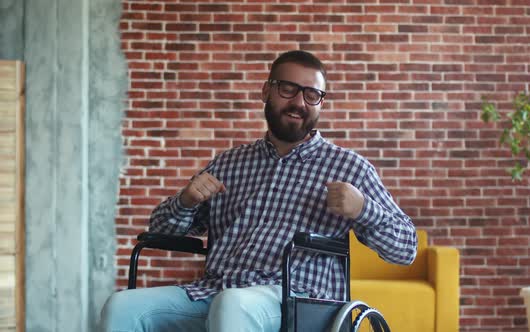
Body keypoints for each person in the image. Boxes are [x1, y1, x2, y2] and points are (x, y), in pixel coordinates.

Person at [100, 50, 417, 332]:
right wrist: (186, 200)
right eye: (288, 89)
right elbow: (160, 231)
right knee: (122, 307)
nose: (298, 103)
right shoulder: (230, 163)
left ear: (321, 102)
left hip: (297, 300)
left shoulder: (349, 167)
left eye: (312, 94)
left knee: (233, 305)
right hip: (214, 290)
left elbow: (405, 249)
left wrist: (363, 209)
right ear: (267, 90)